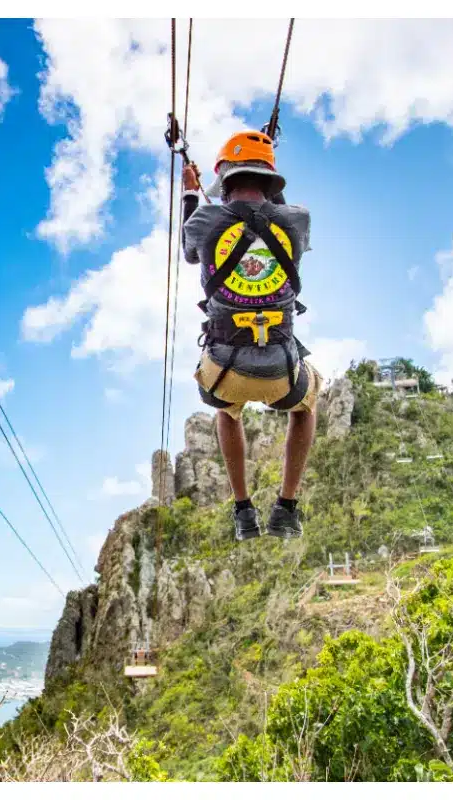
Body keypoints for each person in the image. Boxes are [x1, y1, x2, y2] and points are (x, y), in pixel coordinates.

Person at [180, 130, 321, 542]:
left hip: (224, 369)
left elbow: (190, 253)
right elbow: (277, 216)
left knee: (228, 411)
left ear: (224, 183)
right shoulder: (298, 219)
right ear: (271, 181)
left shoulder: (205, 221)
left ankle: (244, 512)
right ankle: (286, 507)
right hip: (283, 368)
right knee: (307, 404)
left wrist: (191, 193)